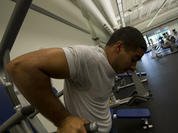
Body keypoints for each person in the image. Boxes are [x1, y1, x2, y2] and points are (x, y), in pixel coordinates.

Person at [6, 26, 147, 133]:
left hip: (106, 124)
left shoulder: (109, 65)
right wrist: (63, 120)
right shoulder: (90, 58)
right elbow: (20, 67)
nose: (134, 67)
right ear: (119, 48)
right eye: (133, 59)